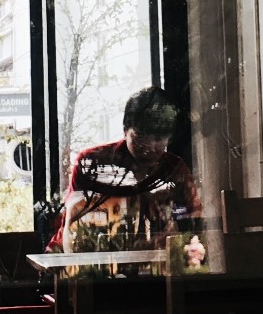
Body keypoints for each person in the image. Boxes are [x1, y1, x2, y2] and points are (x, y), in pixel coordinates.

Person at [49, 87, 201, 248]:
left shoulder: (174, 170)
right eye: (141, 137)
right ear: (125, 130)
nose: (151, 147)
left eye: (159, 138)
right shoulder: (93, 164)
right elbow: (73, 222)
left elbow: (193, 220)